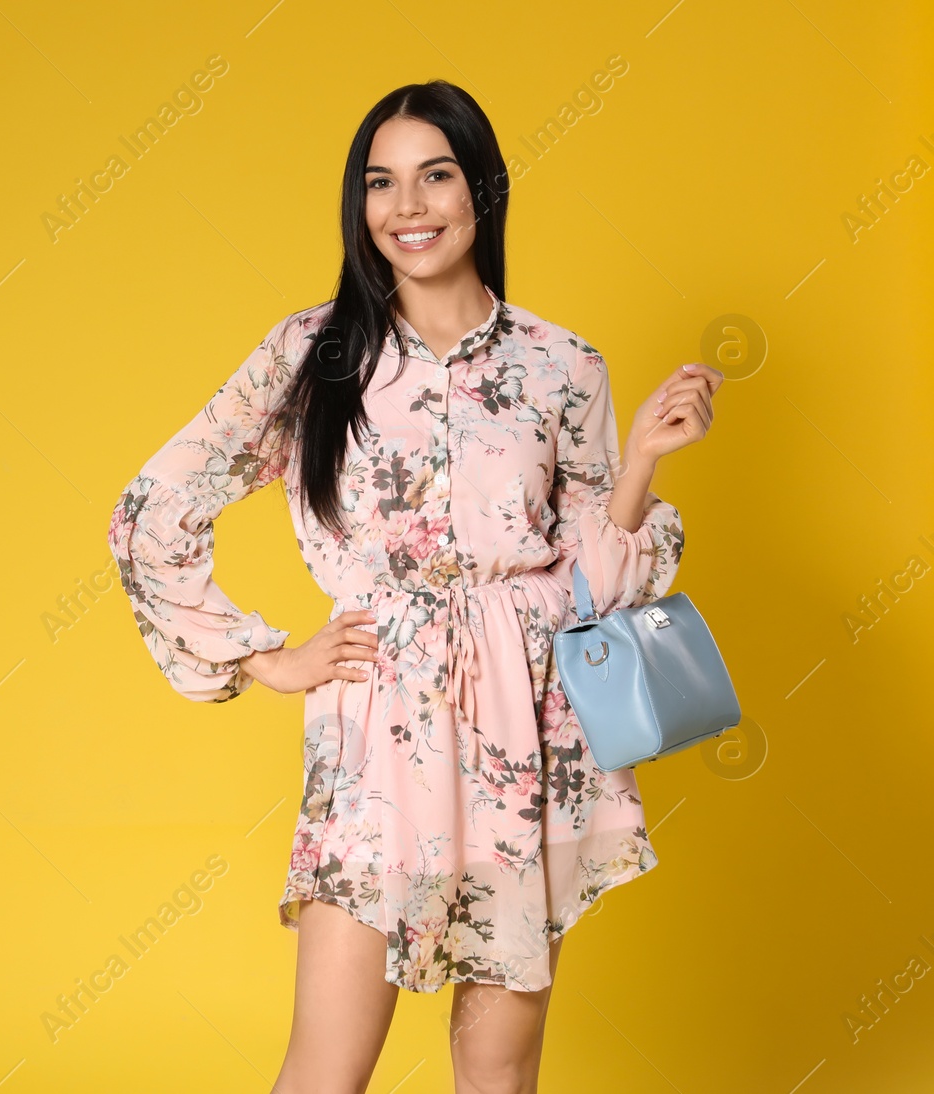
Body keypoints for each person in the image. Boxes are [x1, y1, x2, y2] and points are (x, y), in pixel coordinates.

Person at [105, 80, 721, 1093]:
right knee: (324, 1065)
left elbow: (594, 596)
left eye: (435, 175)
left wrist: (644, 461)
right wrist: (267, 656)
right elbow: (152, 508)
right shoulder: (311, 354)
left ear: (481, 188)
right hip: (379, 730)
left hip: (530, 730)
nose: (408, 206)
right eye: (380, 183)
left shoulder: (563, 365)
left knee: (497, 1068)